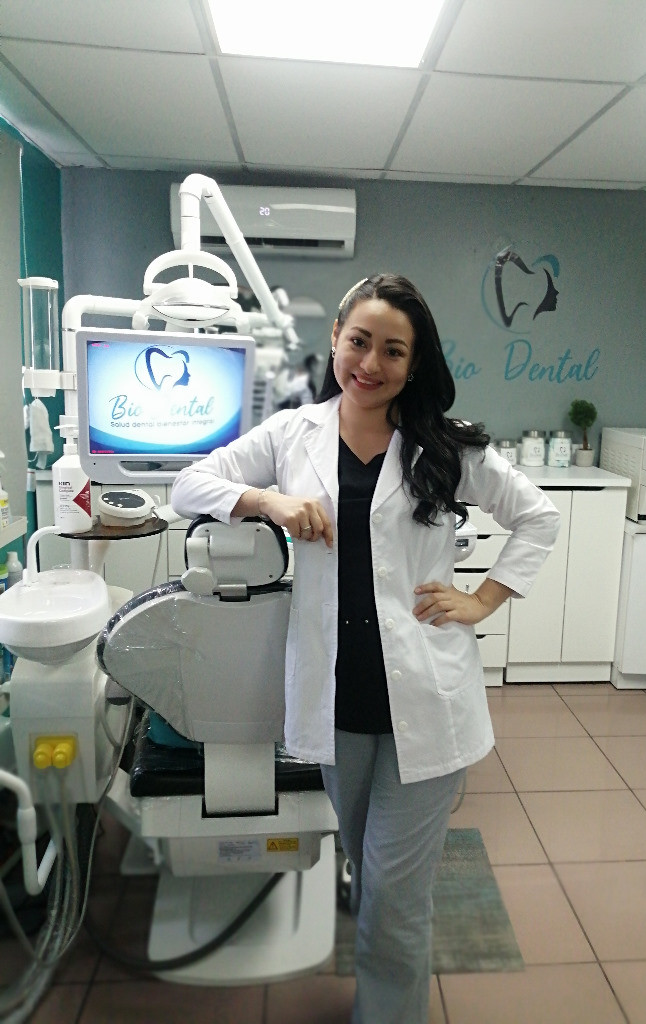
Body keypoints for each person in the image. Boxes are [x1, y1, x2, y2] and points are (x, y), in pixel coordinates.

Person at [171, 273, 560, 1023]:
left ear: (414, 364)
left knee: (392, 898)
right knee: (367, 864)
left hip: (426, 698)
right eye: (360, 342)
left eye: (393, 350)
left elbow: (537, 517)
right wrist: (267, 500)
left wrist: (483, 599)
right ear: (336, 340)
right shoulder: (292, 435)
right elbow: (191, 483)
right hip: (338, 699)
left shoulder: (445, 446)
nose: (371, 363)